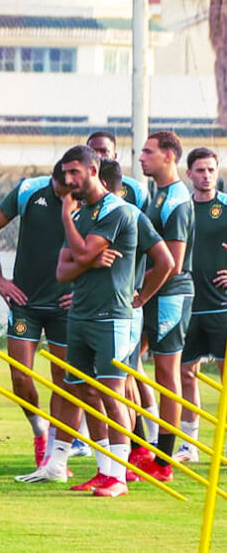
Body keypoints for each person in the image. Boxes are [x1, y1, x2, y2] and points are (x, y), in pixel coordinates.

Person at [16, 145, 137, 498]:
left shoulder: (115, 211)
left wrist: (69, 222)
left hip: (110, 315)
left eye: (75, 173)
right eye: (65, 174)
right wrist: (88, 259)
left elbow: (79, 254)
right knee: (84, 390)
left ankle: (120, 475)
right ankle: (103, 471)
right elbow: (63, 269)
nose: (68, 181)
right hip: (80, 313)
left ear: (93, 170)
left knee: (111, 393)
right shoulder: (85, 215)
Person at [0, 161, 73, 467]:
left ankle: (57, 455)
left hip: (65, 306)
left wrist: (87, 292)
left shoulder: (90, 199)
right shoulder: (29, 191)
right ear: (53, 179)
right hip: (25, 302)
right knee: (20, 376)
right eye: (62, 188)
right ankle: (39, 430)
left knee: (64, 379)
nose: (67, 194)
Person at [98, 159, 174, 479]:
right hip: (110, 311)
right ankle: (135, 449)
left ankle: (133, 457)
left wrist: (142, 294)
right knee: (126, 381)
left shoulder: (128, 212)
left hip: (124, 313)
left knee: (122, 384)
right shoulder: (96, 214)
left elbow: (169, 261)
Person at [88, 131, 160, 442]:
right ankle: (131, 446)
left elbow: (161, 255)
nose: (100, 155)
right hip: (98, 304)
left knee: (126, 375)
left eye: (104, 151)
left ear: (115, 155)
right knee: (112, 378)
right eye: (94, 151)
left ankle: (141, 445)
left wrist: (141, 292)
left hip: (123, 303)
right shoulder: (86, 200)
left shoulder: (133, 197)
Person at [135, 131, 195, 481]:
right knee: (126, 363)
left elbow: (172, 261)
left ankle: (163, 463)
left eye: (148, 152)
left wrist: (142, 294)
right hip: (154, 294)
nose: (142, 157)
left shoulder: (176, 199)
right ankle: (141, 446)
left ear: (169, 157)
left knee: (167, 375)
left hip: (170, 295)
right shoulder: (156, 195)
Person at [176, 148, 226, 463]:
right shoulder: (182, 209)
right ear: (189, 174)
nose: (206, 175)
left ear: (217, 171)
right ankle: (189, 447)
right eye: (200, 170)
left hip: (223, 306)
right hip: (189, 305)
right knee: (186, 373)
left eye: (211, 169)